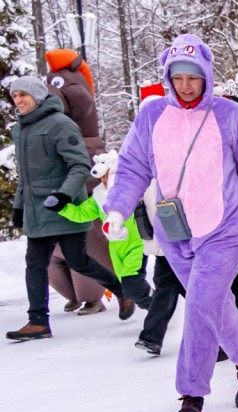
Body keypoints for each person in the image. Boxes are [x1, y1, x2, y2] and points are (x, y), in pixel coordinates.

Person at [103, 33, 238, 412]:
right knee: (213, 306)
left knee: (199, 303)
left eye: (193, 77)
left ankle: (191, 402)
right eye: (177, 77)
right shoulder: (151, 116)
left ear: (207, 76)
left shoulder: (230, 116)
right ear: (168, 77)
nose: (185, 85)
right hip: (175, 232)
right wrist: (117, 209)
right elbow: (130, 167)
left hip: (226, 228)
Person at [5, 76, 133, 342]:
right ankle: (38, 321)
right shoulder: (21, 129)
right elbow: (25, 176)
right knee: (34, 264)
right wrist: (19, 206)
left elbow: (78, 165)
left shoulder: (60, 125)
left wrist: (63, 195)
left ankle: (121, 290)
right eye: (14, 95)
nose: (18, 100)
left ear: (37, 96)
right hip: (37, 210)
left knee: (79, 261)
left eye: (23, 95)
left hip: (63, 208)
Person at [45, 49, 114, 315]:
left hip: (83, 194)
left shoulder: (83, 144)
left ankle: (93, 294)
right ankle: (74, 293)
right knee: (55, 247)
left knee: (89, 236)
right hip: (58, 206)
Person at [57, 150, 153, 311]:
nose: (104, 180)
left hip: (136, 243)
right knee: (129, 286)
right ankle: (157, 306)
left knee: (132, 282)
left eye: (108, 175)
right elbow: (82, 214)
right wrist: (62, 207)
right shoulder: (99, 196)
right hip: (115, 246)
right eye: (102, 176)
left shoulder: (130, 190)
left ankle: (157, 308)